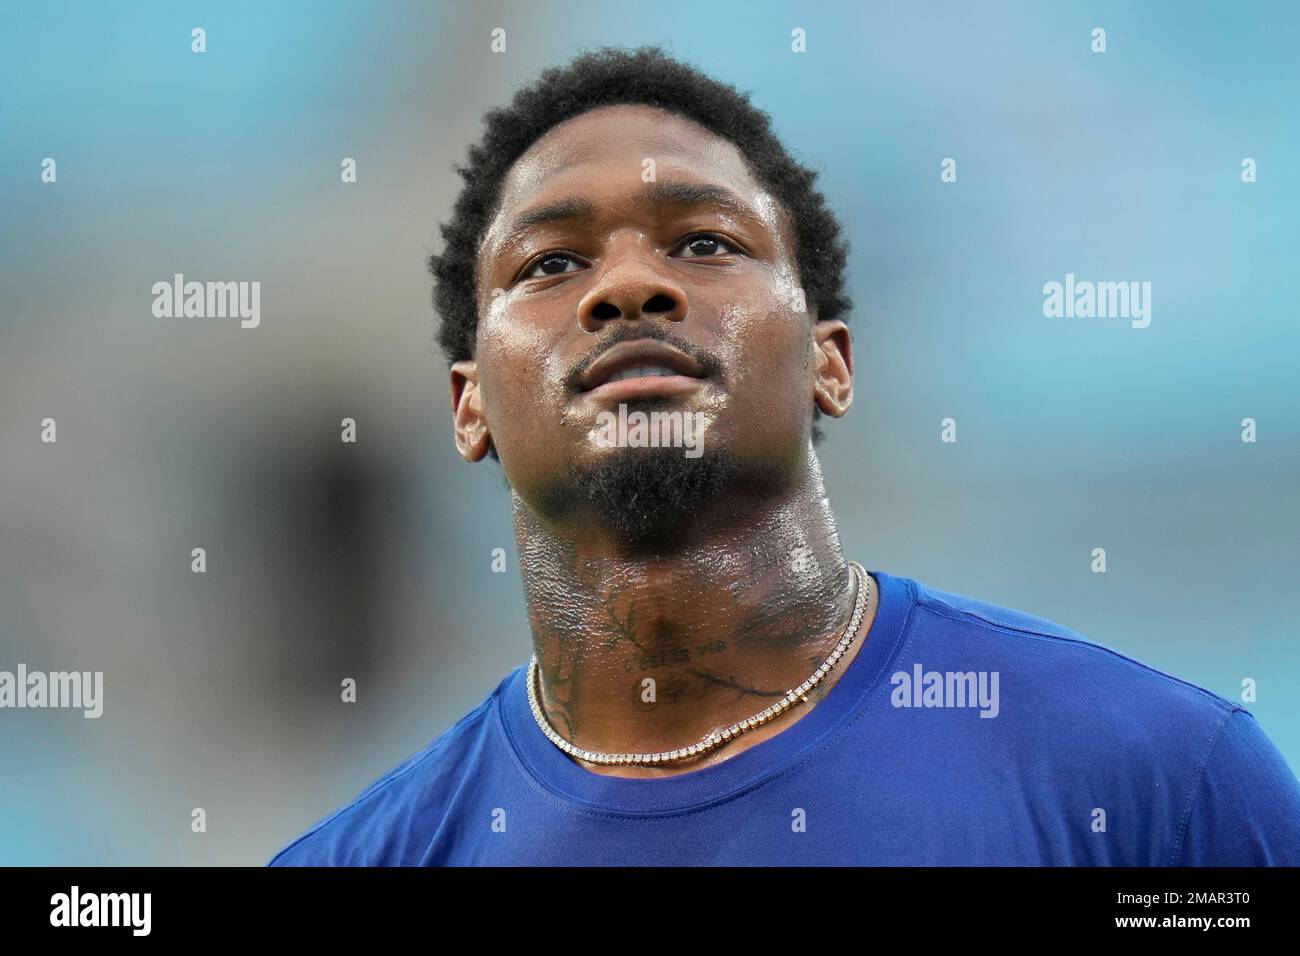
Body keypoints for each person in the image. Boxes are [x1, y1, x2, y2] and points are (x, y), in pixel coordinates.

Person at [269, 46, 1300, 866]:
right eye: (552, 262)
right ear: (469, 405)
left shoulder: (1158, 783)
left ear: (829, 363)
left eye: (705, 243)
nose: (627, 289)